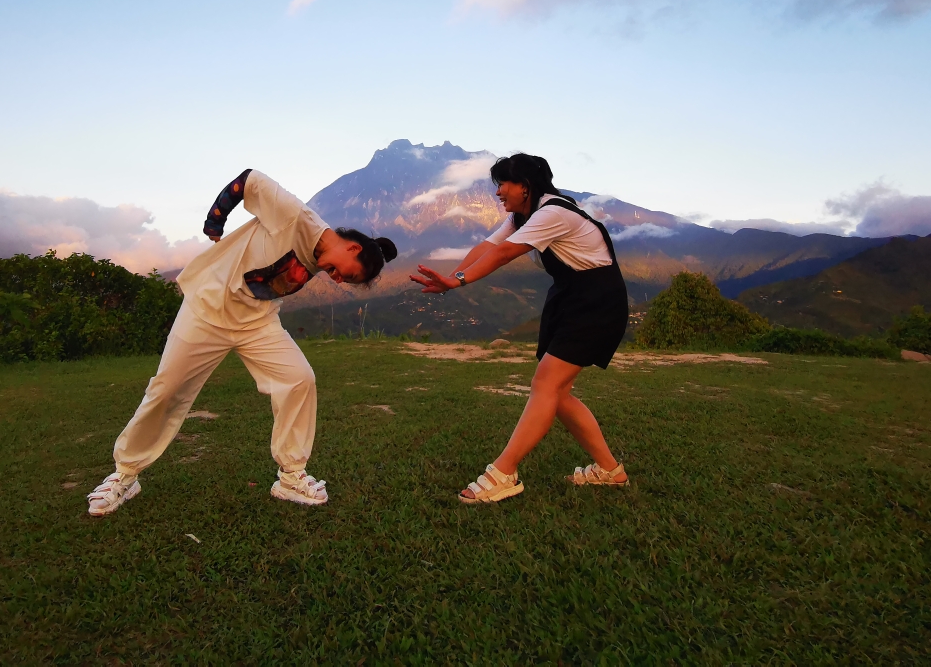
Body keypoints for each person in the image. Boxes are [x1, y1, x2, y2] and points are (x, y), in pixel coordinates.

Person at [88, 168, 397, 516]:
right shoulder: (297, 217)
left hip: (256, 322)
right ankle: (125, 475)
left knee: (299, 379)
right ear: (353, 247)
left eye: (345, 281)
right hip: (207, 310)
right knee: (166, 389)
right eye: (347, 273)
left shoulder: (318, 256)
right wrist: (215, 220)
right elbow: (250, 180)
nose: (338, 279)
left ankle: (291, 477)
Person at [410, 153, 630, 504]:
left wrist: (458, 282)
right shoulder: (522, 215)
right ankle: (609, 470)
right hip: (571, 297)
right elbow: (488, 247)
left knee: (546, 384)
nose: (498, 192)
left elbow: (503, 255)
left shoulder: (552, 213)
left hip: (596, 301)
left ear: (525, 186)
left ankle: (504, 472)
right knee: (556, 393)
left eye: (504, 184)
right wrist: (452, 277)